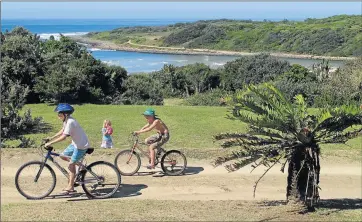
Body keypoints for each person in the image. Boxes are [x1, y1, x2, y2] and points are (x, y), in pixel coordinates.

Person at [45, 103, 90, 194]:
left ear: (65, 114)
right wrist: (51, 137)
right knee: (62, 155)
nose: (58, 116)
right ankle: (80, 166)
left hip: (81, 145)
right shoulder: (67, 121)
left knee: (70, 165)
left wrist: (51, 143)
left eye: (59, 114)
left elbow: (64, 137)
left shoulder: (70, 122)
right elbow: (63, 131)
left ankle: (71, 186)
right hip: (75, 144)